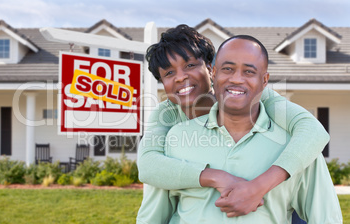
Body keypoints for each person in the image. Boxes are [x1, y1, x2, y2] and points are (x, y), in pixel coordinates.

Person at [136, 25, 330, 224]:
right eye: (168, 73)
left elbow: (312, 131)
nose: (180, 77)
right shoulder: (166, 117)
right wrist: (216, 177)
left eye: (189, 65)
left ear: (211, 69)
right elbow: (149, 166)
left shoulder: (253, 94)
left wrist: (258, 187)